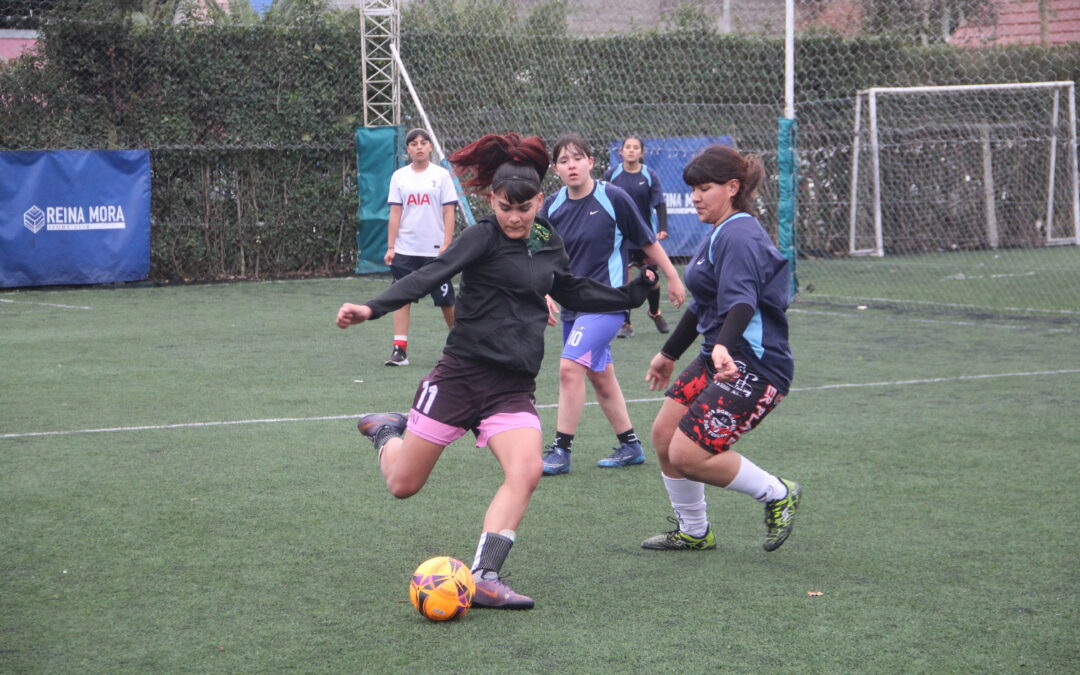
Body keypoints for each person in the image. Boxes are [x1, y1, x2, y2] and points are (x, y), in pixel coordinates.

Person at [337, 133, 658, 610]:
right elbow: (430, 274)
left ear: (539, 202)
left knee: (526, 469)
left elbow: (569, 288)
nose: (515, 218)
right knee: (403, 485)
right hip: (460, 377)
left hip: (511, 386)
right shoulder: (482, 236)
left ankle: (485, 576)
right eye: (506, 207)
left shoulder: (546, 238)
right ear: (492, 200)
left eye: (524, 208)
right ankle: (386, 432)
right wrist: (371, 308)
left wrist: (629, 295)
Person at [640, 144, 802, 553]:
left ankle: (778, 492)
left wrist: (724, 348)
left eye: (704, 188)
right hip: (722, 356)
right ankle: (694, 531)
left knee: (687, 454)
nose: (695, 197)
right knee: (664, 436)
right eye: (692, 189)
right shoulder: (722, 230)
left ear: (732, 188)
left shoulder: (740, 234)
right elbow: (704, 303)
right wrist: (669, 353)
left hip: (755, 366)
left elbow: (742, 302)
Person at [540, 134, 686, 476]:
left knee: (569, 369)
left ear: (591, 162)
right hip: (572, 306)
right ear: (555, 169)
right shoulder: (551, 206)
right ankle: (630, 445)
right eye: (563, 160)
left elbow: (647, 241)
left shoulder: (613, 197)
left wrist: (672, 277)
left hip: (608, 303)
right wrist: (542, 292)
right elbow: (538, 253)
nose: (572, 165)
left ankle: (561, 450)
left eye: (578, 158)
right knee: (600, 377)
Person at [382, 128, 458, 367]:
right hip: (405, 250)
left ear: (430, 147)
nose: (419, 147)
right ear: (408, 149)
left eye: (424, 143)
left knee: (446, 300)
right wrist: (391, 246)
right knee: (401, 297)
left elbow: (449, 211)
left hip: (435, 252)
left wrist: (446, 243)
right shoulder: (399, 177)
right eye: (414, 144)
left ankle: (461, 347)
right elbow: (395, 212)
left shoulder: (441, 176)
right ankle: (399, 350)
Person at [601, 136, 670, 338]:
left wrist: (662, 228)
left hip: (644, 236)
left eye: (635, 147)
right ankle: (626, 323)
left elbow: (660, 203)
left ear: (641, 153)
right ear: (621, 152)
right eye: (628, 147)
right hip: (621, 237)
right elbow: (601, 199)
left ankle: (655, 312)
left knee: (652, 278)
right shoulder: (612, 174)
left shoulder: (649, 175)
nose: (631, 150)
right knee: (625, 281)